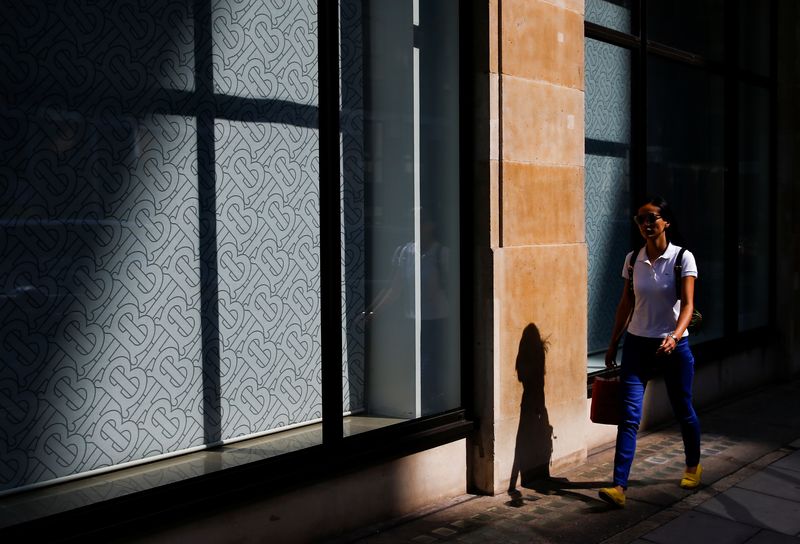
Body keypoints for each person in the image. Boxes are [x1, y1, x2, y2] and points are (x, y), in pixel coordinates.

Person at [598, 196, 702, 508]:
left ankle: (693, 465)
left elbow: (688, 304)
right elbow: (625, 303)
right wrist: (614, 340)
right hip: (636, 344)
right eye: (640, 219)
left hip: (672, 345)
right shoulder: (633, 259)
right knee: (628, 417)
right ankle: (619, 487)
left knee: (683, 408)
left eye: (652, 217)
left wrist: (676, 334)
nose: (645, 224)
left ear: (665, 221)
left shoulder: (683, 258)